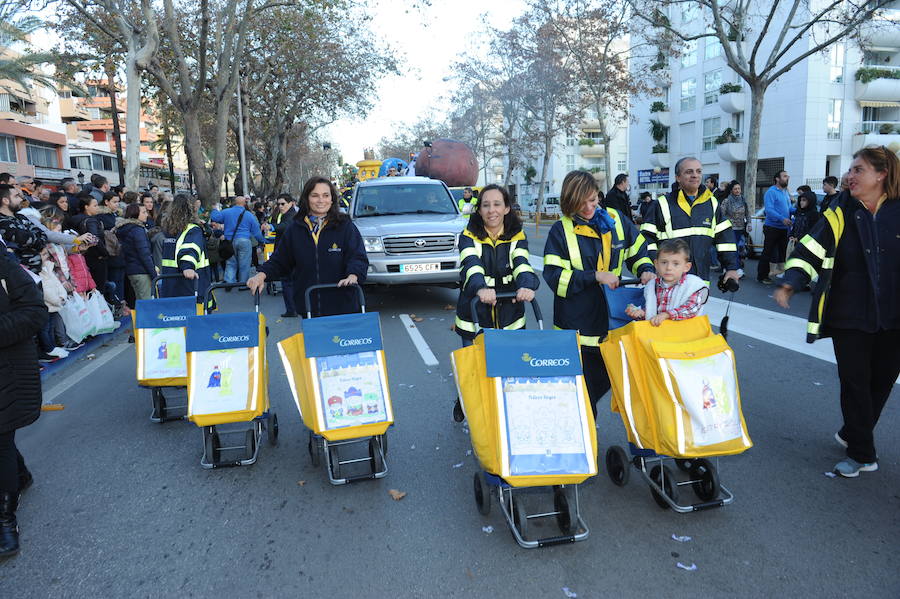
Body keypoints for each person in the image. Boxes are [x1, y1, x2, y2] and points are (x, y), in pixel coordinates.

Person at [774, 146, 900, 478]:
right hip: (850, 312)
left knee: (882, 381)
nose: (849, 176)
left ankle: (852, 433)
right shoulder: (839, 210)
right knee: (855, 383)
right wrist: (791, 280)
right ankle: (861, 453)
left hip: (893, 315)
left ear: (881, 174)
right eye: (850, 169)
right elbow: (810, 249)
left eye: (858, 169)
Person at [543, 170, 655, 416]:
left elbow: (637, 250)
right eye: (580, 203)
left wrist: (645, 268)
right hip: (576, 325)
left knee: (604, 382)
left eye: (592, 200)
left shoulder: (615, 218)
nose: (587, 208)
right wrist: (594, 276)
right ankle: (585, 438)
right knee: (583, 395)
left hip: (611, 320)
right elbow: (554, 278)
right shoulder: (561, 230)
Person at [246, 177, 368, 317]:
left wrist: (354, 275)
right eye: (315, 195)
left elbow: (358, 257)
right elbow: (280, 260)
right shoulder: (295, 228)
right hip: (309, 307)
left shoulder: (345, 226)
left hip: (343, 305)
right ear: (307, 199)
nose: (321, 200)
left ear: (332, 199)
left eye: (325, 195)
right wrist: (261, 275)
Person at [0, 254, 47, 558]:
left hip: (7, 367)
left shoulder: (3, 264)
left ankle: (4, 518)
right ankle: (18, 474)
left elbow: (34, 311)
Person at [454, 184, 540, 345]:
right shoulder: (468, 236)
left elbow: (522, 264)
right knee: (477, 370)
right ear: (479, 210)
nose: (491, 210)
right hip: (474, 318)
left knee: (513, 368)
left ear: (506, 208)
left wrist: (526, 286)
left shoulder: (517, 236)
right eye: (485, 205)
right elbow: (471, 266)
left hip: (510, 318)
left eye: (497, 204)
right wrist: (481, 288)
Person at [640, 157, 740, 285]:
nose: (695, 175)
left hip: (699, 283)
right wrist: (654, 267)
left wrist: (731, 268)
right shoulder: (661, 204)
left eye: (698, 171)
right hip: (668, 282)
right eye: (689, 172)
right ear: (678, 177)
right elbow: (646, 240)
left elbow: (725, 239)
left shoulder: (711, 203)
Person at [625, 238, 709, 326]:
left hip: (686, 335)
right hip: (662, 335)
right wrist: (641, 313)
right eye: (664, 262)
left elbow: (691, 309)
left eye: (676, 264)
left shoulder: (693, 285)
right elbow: (653, 312)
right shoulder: (653, 286)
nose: (669, 268)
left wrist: (667, 315)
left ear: (686, 267)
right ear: (656, 264)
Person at [160, 195, 213, 311]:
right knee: (197, 321)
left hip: (171, 283)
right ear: (192, 210)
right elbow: (190, 248)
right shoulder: (193, 229)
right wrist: (188, 267)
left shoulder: (168, 230)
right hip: (192, 284)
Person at [210, 195, 265, 288]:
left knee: (231, 262)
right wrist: (262, 241)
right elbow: (256, 231)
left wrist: (214, 209)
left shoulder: (227, 212)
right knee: (244, 264)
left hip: (230, 241)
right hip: (244, 241)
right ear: (244, 203)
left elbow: (215, 217)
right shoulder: (249, 215)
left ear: (234, 203)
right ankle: (243, 284)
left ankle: (229, 282)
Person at [0, 185, 48, 274]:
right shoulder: (2, 222)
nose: (21, 199)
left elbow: (43, 235)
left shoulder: (21, 217)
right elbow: (25, 239)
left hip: (37, 271)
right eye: (16, 196)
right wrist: (37, 242)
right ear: (5, 201)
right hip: (20, 274)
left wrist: (36, 241)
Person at [757, 170, 794, 284]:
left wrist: (801, 211)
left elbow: (789, 209)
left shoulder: (785, 192)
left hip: (784, 229)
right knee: (767, 252)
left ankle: (781, 274)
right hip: (772, 227)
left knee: (783, 253)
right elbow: (769, 210)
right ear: (777, 179)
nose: (787, 178)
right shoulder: (771, 192)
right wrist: (782, 219)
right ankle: (762, 276)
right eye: (784, 176)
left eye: (787, 176)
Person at [70, 195, 109, 300]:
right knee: (97, 291)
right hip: (96, 258)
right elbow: (94, 238)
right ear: (86, 207)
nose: (97, 208)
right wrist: (105, 253)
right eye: (95, 205)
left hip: (80, 257)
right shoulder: (91, 221)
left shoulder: (72, 220)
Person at [115, 203, 156, 302]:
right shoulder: (137, 230)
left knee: (140, 301)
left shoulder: (126, 228)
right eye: (144, 212)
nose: (146, 214)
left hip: (132, 270)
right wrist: (153, 273)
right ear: (135, 213)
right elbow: (144, 253)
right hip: (141, 270)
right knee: (146, 302)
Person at [267, 193, 298, 317]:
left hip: (288, 255)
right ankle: (293, 308)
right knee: (289, 282)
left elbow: (286, 226)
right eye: (278, 204)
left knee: (287, 282)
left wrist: (272, 226)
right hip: (288, 253)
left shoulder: (291, 215)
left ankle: (292, 309)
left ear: (291, 203)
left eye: (283, 204)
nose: (280, 206)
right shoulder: (284, 214)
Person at [98, 192, 126, 307]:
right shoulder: (103, 217)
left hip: (118, 254)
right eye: (114, 202)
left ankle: (120, 303)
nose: (117, 204)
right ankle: (117, 304)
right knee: (115, 281)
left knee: (120, 281)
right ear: (106, 202)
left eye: (118, 202)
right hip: (111, 254)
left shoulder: (114, 216)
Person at [720, 181, 751, 276]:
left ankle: (733, 268)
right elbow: (721, 214)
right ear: (731, 190)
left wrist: (749, 223)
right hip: (730, 229)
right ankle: (732, 268)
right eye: (735, 189)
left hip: (740, 228)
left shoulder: (743, 200)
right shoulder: (727, 201)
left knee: (738, 249)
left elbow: (748, 213)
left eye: (739, 189)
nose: (737, 190)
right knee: (732, 249)